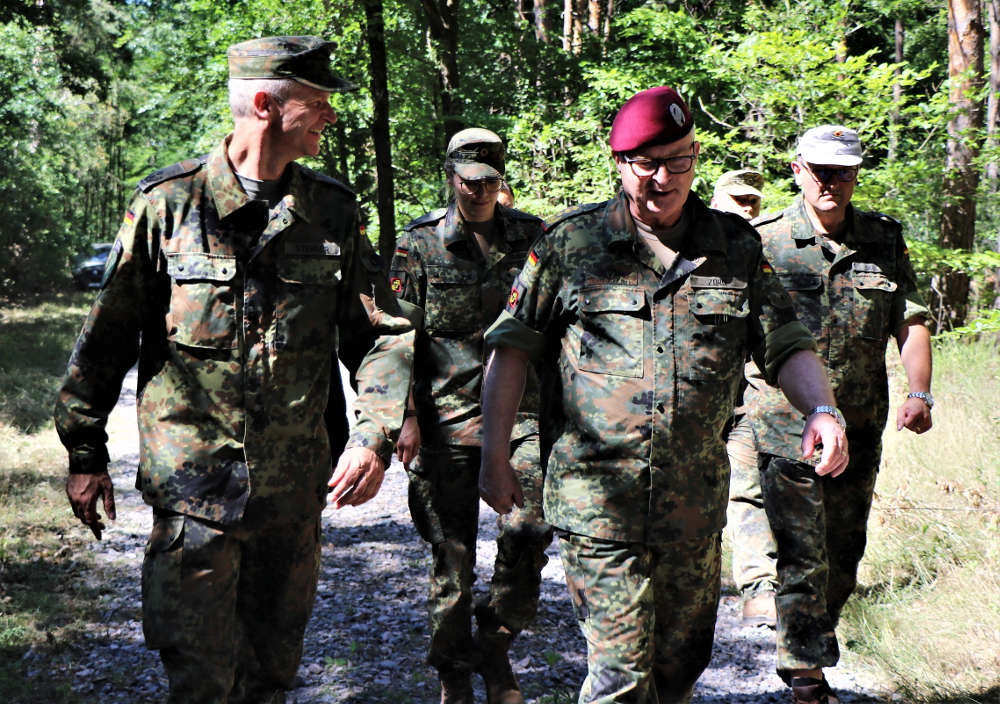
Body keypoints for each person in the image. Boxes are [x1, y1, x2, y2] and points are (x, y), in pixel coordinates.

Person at [54, 36, 414, 704]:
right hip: (196, 499)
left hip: (292, 497)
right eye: (318, 103)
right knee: (199, 681)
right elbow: (106, 337)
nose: (331, 118)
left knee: (272, 677)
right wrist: (84, 451)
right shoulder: (170, 206)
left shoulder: (332, 212)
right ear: (265, 105)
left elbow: (379, 336)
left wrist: (375, 434)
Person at [478, 85, 849, 704]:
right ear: (620, 163)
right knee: (621, 680)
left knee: (678, 671)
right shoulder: (572, 244)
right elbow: (511, 350)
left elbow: (784, 341)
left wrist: (822, 408)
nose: (662, 177)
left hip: (692, 507)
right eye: (645, 163)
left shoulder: (735, 245)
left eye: (677, 159)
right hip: (596, 503)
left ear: (695, 156)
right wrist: (494, 454)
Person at [744, 125, 933, 704]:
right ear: (797, 169)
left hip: (862, 420)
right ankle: (805, 673)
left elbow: (912, 319)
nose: (830, 182)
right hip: (784, 424)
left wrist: (919, 392)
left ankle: (808, 640)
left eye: (842, 171)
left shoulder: (882, 239)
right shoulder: (764, 241)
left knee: (844, 550)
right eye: (819, 170)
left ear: (855, 175)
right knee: (802, 549)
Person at [389, 128, 552, 704]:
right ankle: (454, 672)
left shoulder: (534, 238)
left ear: (500, 179)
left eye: (488, 181)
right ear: (452, 176)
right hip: (442, 418)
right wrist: (405, 417)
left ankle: (496, 642)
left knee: (530, 530)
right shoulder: (420, 244)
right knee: (451, 558)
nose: (478, 190)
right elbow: (397, 337)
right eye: (468, 180)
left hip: (523, 417)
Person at [710, 168, 780, 627]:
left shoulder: (770, 250)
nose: (747, 209)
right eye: (737, 200)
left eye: (753, 201)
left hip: (750, 397)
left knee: (748, 491)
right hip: (694, 399)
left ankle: (758, 586)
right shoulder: (691, 246)